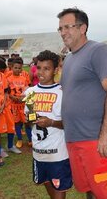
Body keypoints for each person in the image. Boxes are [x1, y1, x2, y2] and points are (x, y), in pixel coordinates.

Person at [58, 8, 107, 198]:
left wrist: (106, 133)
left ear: (83, 28)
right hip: (75, 138)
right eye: (60, 28)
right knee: (89, 190)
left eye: (68, 27)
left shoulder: (98, 50)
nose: (63, 32)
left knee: (106, 192)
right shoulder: (69, 59)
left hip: (96, 138)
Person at [24, 50, 72, 199]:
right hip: (38, 152)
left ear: (55, 70)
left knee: (59, 189)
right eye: (39, 68)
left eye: (47, 68)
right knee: (46, 183)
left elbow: (70, 124)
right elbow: (29, 119)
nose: (41, 72)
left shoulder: (62, 92)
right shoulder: (30, 92)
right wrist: (31, 119)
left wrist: (51, 122)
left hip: (58, 154)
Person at [7, 57, 31, 150]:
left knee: (27, 123)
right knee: (17, 123)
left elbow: (27, 90)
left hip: (23, 104)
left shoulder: (24, 78)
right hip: (14, 105)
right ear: (12, 68)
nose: (17, 69)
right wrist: (14, 98)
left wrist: (24, 98)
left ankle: (30, 140)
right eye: (15, 68)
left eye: (19, 68)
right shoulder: (8, 79)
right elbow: (7, 93)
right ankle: (20, 139)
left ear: (22, 69)